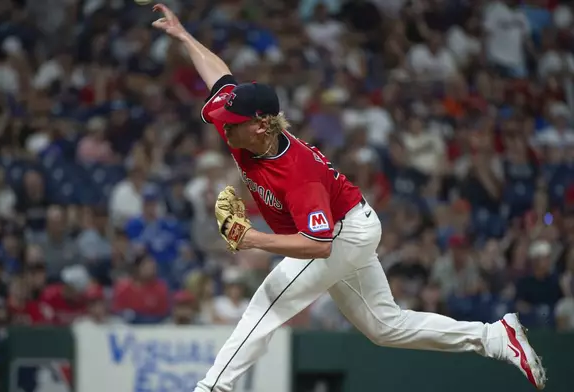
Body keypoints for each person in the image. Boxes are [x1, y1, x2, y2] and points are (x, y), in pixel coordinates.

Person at [151, 4, 547, 392]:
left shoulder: (298, 174)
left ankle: (211, 388)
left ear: (261, 126)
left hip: (341, 233)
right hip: (349, 223)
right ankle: (495, 337)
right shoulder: (244, 129)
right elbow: (221, 79)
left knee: (267, 303)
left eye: (233, 123)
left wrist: (251, 238)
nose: (222, 126)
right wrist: (185, 36)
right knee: (384, 326)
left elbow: (318, 246)